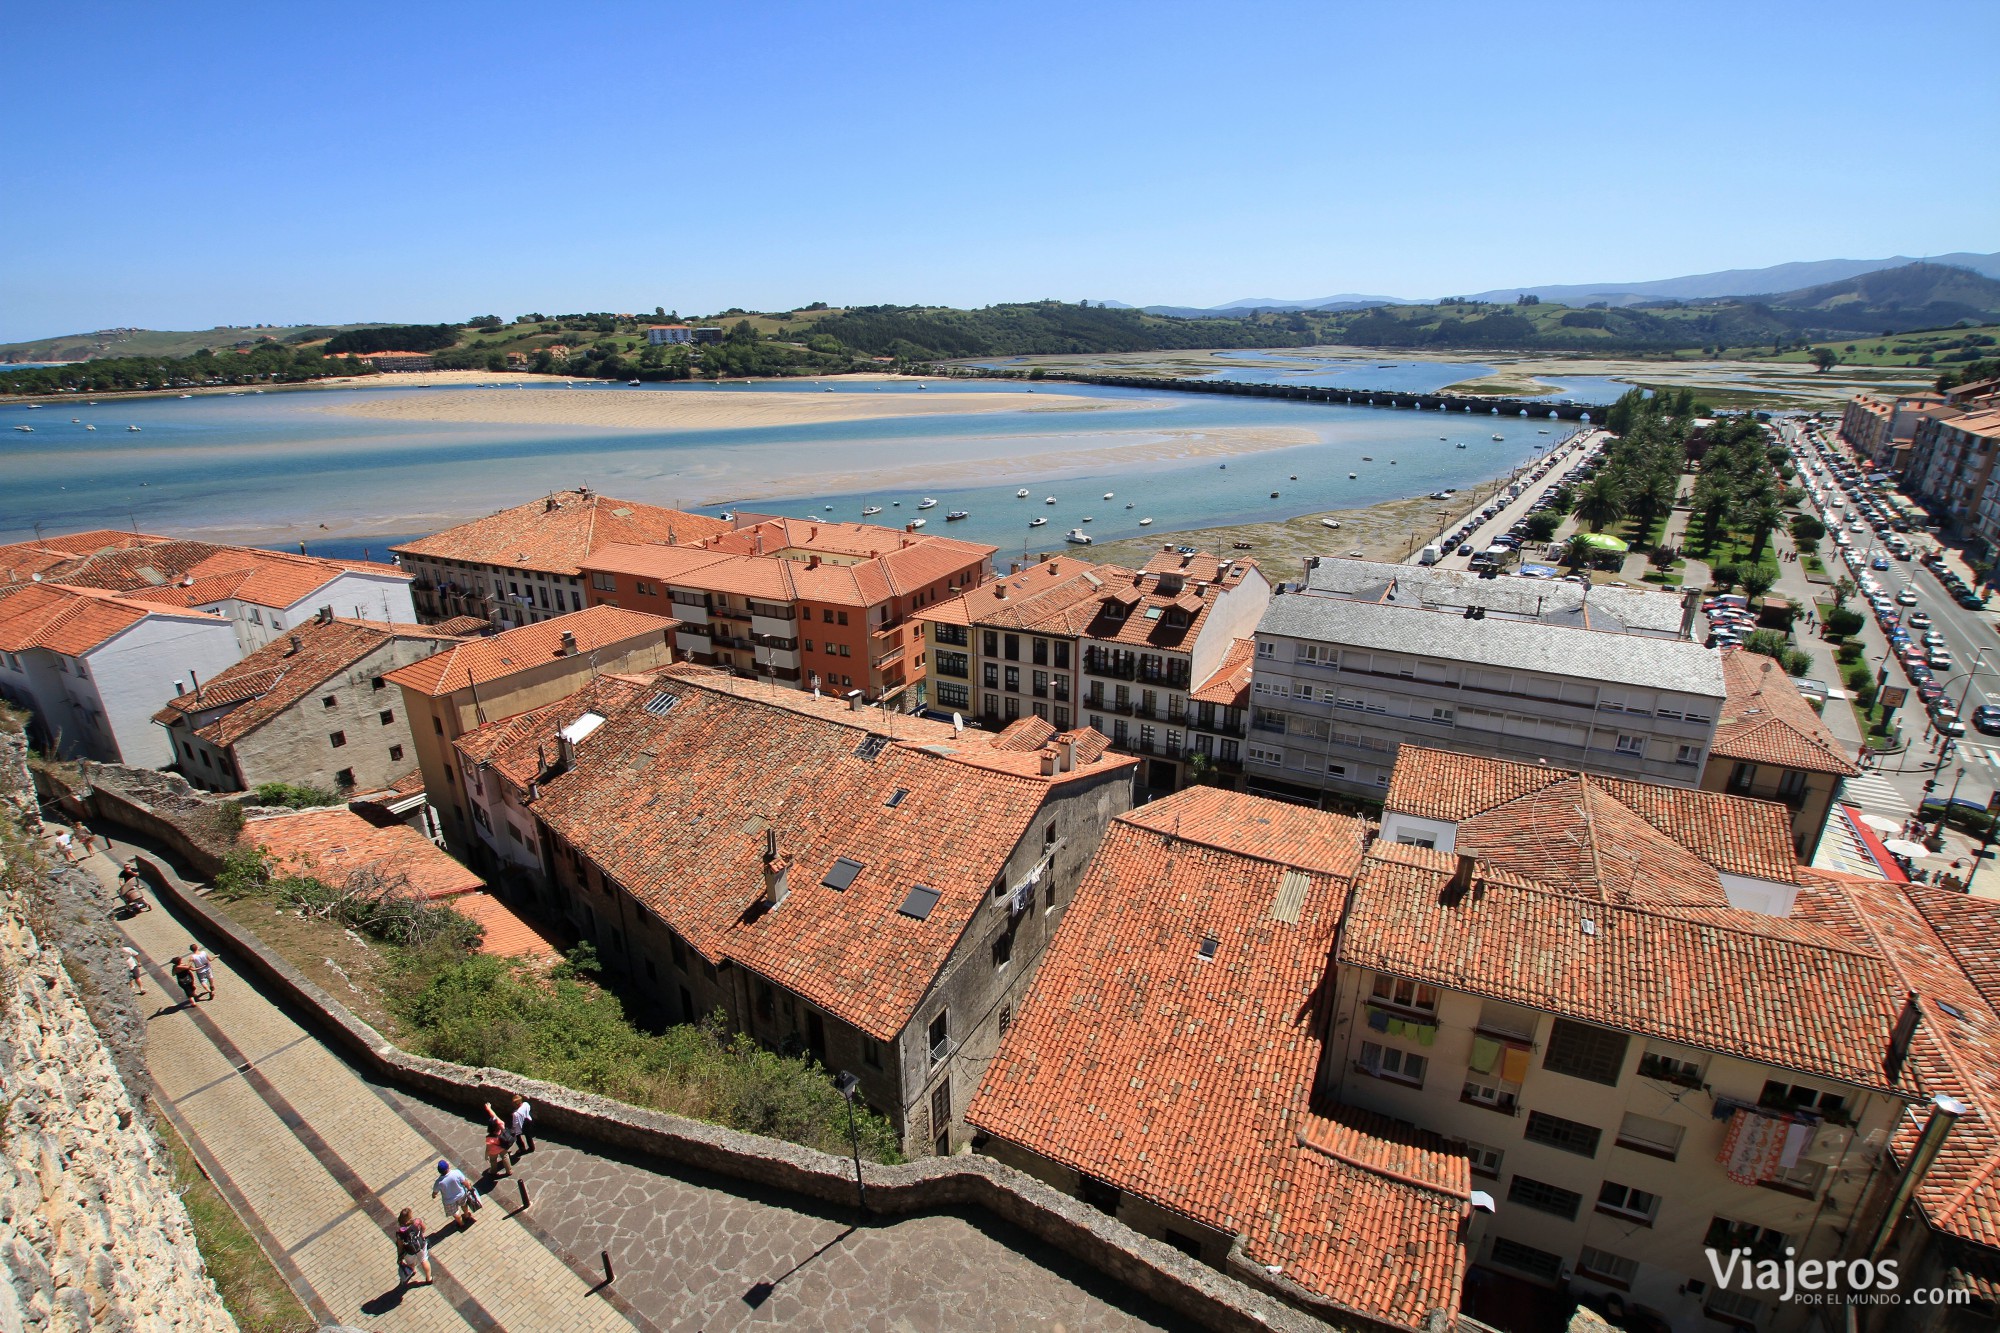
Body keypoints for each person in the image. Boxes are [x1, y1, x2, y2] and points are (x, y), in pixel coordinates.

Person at [432, 1160, 478, 1226]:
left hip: (449, 1201)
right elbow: (465, 1182)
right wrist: (470, 1189)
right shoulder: (456, 1173)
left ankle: (461, 1223)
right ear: (448, 1167)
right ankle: (466, 1215)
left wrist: (434, 1195)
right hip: (461, 1195)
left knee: (455, 1213)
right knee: (464, 1204)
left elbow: (435, 1192)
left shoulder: (438, 1182)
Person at [394, 1207, 432, 1286]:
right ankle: (429, 1279)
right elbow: (424, 1228)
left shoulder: (400, 1232)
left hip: (409, 1250)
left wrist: (399, 1256)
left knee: (410, 1263)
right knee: (424, 1261)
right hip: (421, 1245)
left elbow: (400, 1245)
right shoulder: (417, 1221)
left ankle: (412, 1270)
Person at [483, 1110, 511, 1179]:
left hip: (493, 1152)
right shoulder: (501, 1125)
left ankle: (493, 1171)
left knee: (493, 1161)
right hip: (502, 1147)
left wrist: (486, 1156)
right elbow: (496, 1117)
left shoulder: (489, 1138)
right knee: (505, 1157)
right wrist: (489, 1109)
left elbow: (488, 1148)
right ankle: (509, 1170)